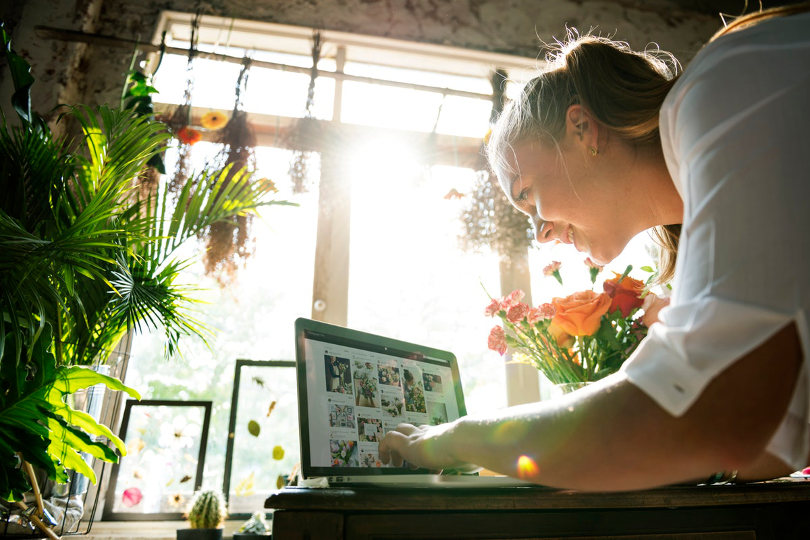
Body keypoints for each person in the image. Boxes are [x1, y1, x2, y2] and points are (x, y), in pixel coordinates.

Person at [378, 4, 810, 491]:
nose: (540, 233)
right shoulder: (726, 200)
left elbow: (713, 423)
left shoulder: (718, 93)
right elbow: (768, 440)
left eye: (527, 195)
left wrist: (451, 440)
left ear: (583, 129)